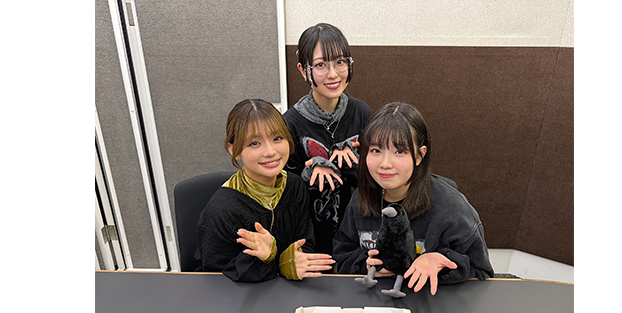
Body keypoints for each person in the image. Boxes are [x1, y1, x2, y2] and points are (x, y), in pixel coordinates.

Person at [333, 102, 494, 295]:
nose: (385, 163)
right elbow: (342, 255)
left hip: (431, 305)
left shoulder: (452, 208)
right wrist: (364, 264)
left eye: (399, 151)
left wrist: (441, 262)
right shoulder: (362, 197)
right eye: (376, 150)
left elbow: (482, 273)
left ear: (419, 155)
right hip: (376, 304)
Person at [196, 99, 334, 282]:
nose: (270, 152)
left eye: (277, 138)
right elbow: (215, 278)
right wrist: (268, 259)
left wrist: (291, 262)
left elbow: (305, 242)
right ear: (234, 150)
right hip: (241, 295)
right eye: (254, 143)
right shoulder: (221, 210)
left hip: (289, 290)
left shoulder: (294, 185)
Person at [283, 23, 373, 256]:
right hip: (309, 238)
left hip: (355, 234)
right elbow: (284, 189)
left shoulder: (362, 113)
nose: (333, 74)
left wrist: (354, 162)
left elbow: (377, 182)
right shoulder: (290, 123)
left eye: (340, 62)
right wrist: (310, 171)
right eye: (321, 65)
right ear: (304, 70)